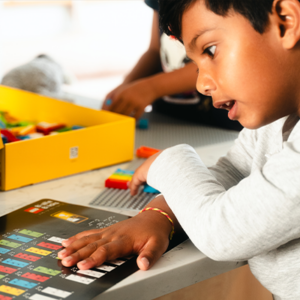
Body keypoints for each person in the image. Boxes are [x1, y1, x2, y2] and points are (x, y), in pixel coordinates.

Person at [58, 0, 300, 298]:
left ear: (286, 21)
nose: (200, 83)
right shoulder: (278, 118)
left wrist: (169, 161)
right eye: (195, 64)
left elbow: (223, 233)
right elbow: (233, 171)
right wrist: (161, 214)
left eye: (210, 50)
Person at [102, 0, 242, 131]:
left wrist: (150, 88)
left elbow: (217, 58)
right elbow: (154, 51)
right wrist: (127, 86)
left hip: (216, 127)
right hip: (164, 121)